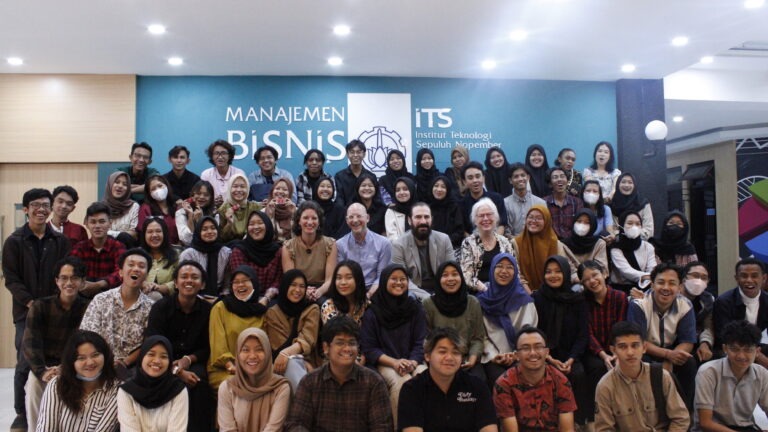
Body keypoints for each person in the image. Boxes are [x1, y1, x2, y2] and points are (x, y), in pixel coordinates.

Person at [2, 188, 71, 431]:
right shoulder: (14, 241)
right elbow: (11, 279)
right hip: (26, 312)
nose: (41, 209)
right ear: (26, 209)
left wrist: (55, 302)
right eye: (35, 205)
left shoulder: (60, 241)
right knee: (25, 360)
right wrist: (32, 303)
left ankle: (58, 408)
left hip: (56, 311)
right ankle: (21, 413)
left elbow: (64, 274)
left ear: (51, 209)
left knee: (60, 357)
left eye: (45, 205)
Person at [284, 316, 393, 431]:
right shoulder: (309, 382)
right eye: (340, 343)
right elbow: (296, 423)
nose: (347, 349)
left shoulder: (374, 382)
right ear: (326, 347)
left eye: (352, 343)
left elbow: (382, 427)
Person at [145, 260, 214, 432]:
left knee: (198, 382)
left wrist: (187, 360)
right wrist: (176, 370)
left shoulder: (208, 310)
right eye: (184, 277)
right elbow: (153, 342)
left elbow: (207, 347)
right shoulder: (161, 307)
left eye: (195, 277)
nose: (189, 280)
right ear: (175, 282)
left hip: (194, 361)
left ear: (202, 284)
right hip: (161, 360)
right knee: (166, 380)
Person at [23, 257, 90, 430]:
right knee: (33, 384)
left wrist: (67, 367)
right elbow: (30, 343)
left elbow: (88, 343)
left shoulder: (89, 307)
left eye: (74, 278)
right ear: (56, 281)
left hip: (75, 366)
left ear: (83, 282)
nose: (69, 283)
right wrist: (42, 371)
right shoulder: (40, 306)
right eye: (64, 278)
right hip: (45, 365)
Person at [361, 264, 428, 426]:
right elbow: (370, 348)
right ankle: (401, 427)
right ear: (384, 281)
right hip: (385, 363)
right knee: (401, 383)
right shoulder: (372, 312)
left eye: (402, 279)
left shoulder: (415, 308)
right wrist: (394, 362)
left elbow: (421, 341)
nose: (399, 283)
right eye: (394, 279)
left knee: (425, 376)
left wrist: (413, 362)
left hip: (413, 360)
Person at [594, 321, 690, 431]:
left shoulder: (661, 376)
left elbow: (681, 418)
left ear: (644, 347)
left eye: (635, 345)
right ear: (613, 350)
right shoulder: (605, 386)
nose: (630, 352)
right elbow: (604, 429)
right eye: (623, 347)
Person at [398, 327, 498, 432]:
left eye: (455, 352)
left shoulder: (477, 386)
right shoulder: (412, 389)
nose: (449, 358)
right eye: (442, 352)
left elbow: (489, 428)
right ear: (427, 356)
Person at [627, 262, 698, 409]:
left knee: (689, 362)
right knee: (640, 360)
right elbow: (638, 341)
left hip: (673, 349)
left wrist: (671, 358)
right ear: (652, 285)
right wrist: (667, 355)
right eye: (661, 282)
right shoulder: (639, 305)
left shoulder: (685, 305)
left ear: (680, 287)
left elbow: (688, 341)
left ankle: (685, 411)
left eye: (672, 283)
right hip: (645, 351)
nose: (666, 287)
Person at [533, 256, 591, 426]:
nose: (553, 275)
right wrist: (549, 358)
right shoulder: (537, 298)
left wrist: (571, 359)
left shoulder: (577, 300)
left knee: (578, 374)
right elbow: (535, 332)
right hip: (545, 355)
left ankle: (578, 423)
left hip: (570, 355)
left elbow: (582, 335)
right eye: (548, 272)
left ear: (566, 273)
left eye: (558, 271)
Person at [79, 248, 154, 379]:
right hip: (97, 363)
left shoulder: (151, 307)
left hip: (132, 368)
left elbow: (148, 343)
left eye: (141, 266)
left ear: (147, 274)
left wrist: (124, 363)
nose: (136, 269)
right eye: (131, 265)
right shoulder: (101, 300)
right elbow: (87, 335)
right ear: (120, 272)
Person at [493, 326, 577, 432]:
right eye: (525, 348)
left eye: (538, 347)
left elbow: (567, 429)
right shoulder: (504, 384)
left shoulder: (561, 381)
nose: (533, 353)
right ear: (517, 355)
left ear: (547, 352)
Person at [35, 330, 120, 432]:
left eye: (95, 355)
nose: (90, 362)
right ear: (71, 362)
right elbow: (46, 428)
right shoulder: (56, 385)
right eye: (81, 358)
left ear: (105, 356)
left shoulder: (116, 390)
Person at [694, 320, 768, 432]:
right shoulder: (708, 372)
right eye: (734, 349)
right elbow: (705, 422)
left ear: (757, 351)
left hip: (745, 427)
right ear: (725, 349)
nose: (741, 356)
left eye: (748, 350)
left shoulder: (762, 374)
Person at [579, 260, 627, 431]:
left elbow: (621, 327)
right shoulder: (582, 301)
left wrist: (615, 353)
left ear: (604, 274)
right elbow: (587, 333)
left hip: (616, 348)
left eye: (595, 275)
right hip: (594, 351)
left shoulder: (620, 297)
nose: (592, 281)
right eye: (586, 280)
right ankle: (593, 419)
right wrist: (602, 354)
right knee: (597, 367)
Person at [478, 253, 538, 386]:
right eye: (499, 266)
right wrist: (494, 356)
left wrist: (517, 354)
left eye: (509, 267)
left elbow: (529, 333)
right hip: (493, 356)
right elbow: (481, 336)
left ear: (515, 271)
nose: (504, 271)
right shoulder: (482, 301)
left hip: (522, 356)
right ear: (492, 269)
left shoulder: (524, 301)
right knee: (499, 381)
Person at [208, 265, 270, 390]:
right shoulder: (220, 308)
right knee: (242, 387)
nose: (240, 285)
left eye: (245, 281)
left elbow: (265, 348)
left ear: (254, 283)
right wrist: (232, 367)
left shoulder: (262, 312)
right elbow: (218, 346)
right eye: (236, 282)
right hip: (225, 369)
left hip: (255, 369)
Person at [217, 328, 291, 432]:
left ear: (268, 352)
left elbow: (273, 430)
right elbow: (227, 429)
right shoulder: (227, 388)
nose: (252, 356)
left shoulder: (280, 388)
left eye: (259, 349)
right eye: (245, 350)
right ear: (237, 354)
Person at [423, 262, 486, 379]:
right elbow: (426, 338)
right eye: (445, 275)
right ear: (438, 279)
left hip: (466, 359)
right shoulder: (428, 304)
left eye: (455, 274)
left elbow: (478, 338)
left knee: (479, 381)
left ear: (461, 277)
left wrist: (472, 359)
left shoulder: (472, 302)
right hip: (440, 361)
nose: (450, 279)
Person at [264, 270, 321, 389]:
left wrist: (290, 354)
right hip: (280, 364)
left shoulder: (312, 309)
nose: (298, 290)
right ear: (285, 286)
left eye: (302, 286)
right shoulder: (273, 312)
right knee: (292, 363)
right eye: (293, 285)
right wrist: (289, 355)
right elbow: (278, 345)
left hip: (308, 361)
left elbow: (308, 339)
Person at [117, 336, 189, 431]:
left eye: (163, 356)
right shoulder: (126, 391)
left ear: (170, 362)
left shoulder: (178, 390)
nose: (157, 361)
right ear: (142, 357)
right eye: (151, 354)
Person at [391, 203, 455, 298]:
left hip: (441, 289)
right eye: (418, 217)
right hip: (414, 291)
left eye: (426, 217)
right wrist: (429, 298)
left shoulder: (444, 239)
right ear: (409, 220)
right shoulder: (399, 245)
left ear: (431, 219)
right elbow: (401, 280)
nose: (423, 221)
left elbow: (452, 272)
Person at [512, 205, 579, 292]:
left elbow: (567, 268)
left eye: (538, 218)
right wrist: (531, 295)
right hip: (525, 293)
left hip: (554, 291)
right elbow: (517, 273)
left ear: (547, 221)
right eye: (530, 217)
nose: (533, 221)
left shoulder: (555, 244)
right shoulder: (516, 243)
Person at [713, 258, 768, 363]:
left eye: (754, 276)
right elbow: (724, 336)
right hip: (732, 347)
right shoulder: (723, 302)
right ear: (736, 278)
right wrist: (757, 356)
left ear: (764, 278)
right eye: (744, 276)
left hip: (759, 346)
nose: (749, 280)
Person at [282, 200, 338, 301]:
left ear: (319, 222)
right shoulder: (288, 246)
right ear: (299, 221)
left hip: (323, 291)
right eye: (305, 218)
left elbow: (329, 280)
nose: (310, 222)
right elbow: (290, 279)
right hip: (296, 290)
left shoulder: (330, 244)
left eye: (314, 218)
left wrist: (318, 292)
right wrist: (305, 291)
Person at [70, 202, 126, 297]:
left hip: (111, 297)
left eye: (102, 221)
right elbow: (71, 270)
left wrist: (100, 284)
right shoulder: (79, 248)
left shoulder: (118, 247)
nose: (97, 226)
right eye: (93, 222)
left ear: (110, 223)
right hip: (83, 296)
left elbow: (122, 272)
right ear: (86, 223)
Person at [460, 197, 515, 293]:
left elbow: (514, 270)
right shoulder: (468, 243)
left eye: (489, 214)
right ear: (475, 220)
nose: (485, 219)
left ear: (496, 218)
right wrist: (486, 290)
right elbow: (467, 276)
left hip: (504, 290)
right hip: (479, 292)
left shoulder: (505, 242)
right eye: (481, 216)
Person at [336, 203, 392, 296]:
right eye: (351, 217)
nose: (355, 220)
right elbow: (342, 277)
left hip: (376, 292)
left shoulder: (384, 243)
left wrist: (369, 295)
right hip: (349, 292)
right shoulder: (340, 245)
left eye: (359, 216)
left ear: (367, 218)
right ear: (346, 220)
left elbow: (382, 277)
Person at [227, 211, 283, 299]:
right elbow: (240, 281)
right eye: (251, 224)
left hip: (271, 298)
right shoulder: (239, 250)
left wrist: (267, 297)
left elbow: (278, 280)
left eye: (260, 223)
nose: (256, 227)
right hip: (244, 298)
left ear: (268, 226)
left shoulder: (278, 251)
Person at [179, 216, 233, 300]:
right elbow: (183, 283)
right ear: (198, 232)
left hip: (220, 298)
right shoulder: (189, 254)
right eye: (204, 229)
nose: (209, 232)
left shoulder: (226, 253)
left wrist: (221, 300)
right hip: (193, 297)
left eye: (213, 228)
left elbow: (227, 285)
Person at [609, 210, 657, 294]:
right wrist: (647, 276)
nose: (634, 227)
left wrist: (651, 276)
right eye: (630, 223)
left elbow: (652, 268)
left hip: (645, 289)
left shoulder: (648, 247)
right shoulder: (616, 248)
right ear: (621, 225)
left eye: (638, 224)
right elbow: (626, 271)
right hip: (620, 291)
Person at [681, 261, 715, 364]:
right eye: (695, 276)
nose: (699, 281)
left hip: (697, 342)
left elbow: (708, 326)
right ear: (684, 278)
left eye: (704, 278)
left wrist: (705, 343)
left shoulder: (708, 299)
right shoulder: (673, 296)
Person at [461, 161, 508, 236]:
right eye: (470, 178)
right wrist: (474, 242)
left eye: (478, 176)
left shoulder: (497, 198)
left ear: (483, 178)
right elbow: (463, 230)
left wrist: (494, 240)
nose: (475, 180)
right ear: (464, 182)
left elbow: (502, 224)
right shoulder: (461, 204)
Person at [138, 217, 178, 300]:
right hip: (140, 298)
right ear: (144, 235)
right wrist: (142, 283)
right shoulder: (137, 255)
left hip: (171, 300)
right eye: (150, 232)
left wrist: (162, 288)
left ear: (165, 233)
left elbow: (182, 278)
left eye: (158, 231)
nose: (154, 235)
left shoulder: (176, 254)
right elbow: (130, 276)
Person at [321, 260, 371, 326]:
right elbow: (337, 331)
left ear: (358, 280)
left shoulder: (365, 304)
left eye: (349, 277)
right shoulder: (328, 306)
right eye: (339, 278)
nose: (343, 282)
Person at [504, 162, 546, 237]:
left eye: (523, 175)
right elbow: (506, 232)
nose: (520, 179)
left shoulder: (540, 203)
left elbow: (544, 227)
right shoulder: (505, 204)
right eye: (516, 176)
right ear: (510, 180)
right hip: (512, 242)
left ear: (528, 177)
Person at [200, 139, 247, 208]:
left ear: (229, 156)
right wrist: (213, 203)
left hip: (235, 209)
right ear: (212, 156)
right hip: (212, 210)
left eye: (223, 153)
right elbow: (203, 197)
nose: (220, 157)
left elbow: (243, 197)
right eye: (216, 153)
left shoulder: (239, 173)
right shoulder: (206, 175)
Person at [218, 173, 263, 243]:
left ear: (247, 189)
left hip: (253, 244)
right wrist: (229, 223)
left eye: (242, 186)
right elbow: (221, 238)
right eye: (235, 186)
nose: (239, 190)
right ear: (229, 188)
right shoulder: (223, 209)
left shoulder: (255, 207)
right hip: (230, 245)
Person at [138, 175, 180, 245]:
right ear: (149, 193)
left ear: (166, 186)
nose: (158, 190)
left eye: (160, 186)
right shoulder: (145, 208)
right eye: (153, 189)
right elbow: (143, 232)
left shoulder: (176, 207)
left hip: (176, 247)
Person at [544, 166, 584, 239]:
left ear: (567, 181)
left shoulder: (577, 202)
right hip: (551, 242)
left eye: (562, 176)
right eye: (555, 177)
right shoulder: (543, 203)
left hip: (573, 241)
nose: (559, 179)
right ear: (550, 184)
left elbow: (580, 225)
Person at [611, 173, 654, 240]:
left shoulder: (643, 204)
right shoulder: (613, 205)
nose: (626, 185)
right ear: (618, 184)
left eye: (630, 182)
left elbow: (649, 230)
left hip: (640, 243)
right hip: (618, 244)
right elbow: (612, 230)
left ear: (635, 185)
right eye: (623, 182)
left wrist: (631, 234)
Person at [175, 180, 219, 246]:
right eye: (198, 193)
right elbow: (187, 241)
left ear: (211, 198)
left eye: (206, 195)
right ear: (193, 195)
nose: (201, 197)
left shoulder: (215, 213)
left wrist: (200, 220)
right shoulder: (181, 212)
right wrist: (190, 216)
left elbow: (211, 238)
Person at [426, 175, 464, 249]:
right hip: (430, 248)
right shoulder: (427, 209)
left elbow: (459, 231)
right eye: (436, 186)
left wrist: (444, 243)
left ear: (448, 190)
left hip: (450, 247)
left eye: (443, 187)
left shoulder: (454, 207)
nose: (439, 189)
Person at [102, 171, 140, 244]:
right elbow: (98, 232)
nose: (120, 186)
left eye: (125, 184)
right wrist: (123, 234)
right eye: (117, 182)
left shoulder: (133, 206)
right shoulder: (101, 207)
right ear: (110, 184)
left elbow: (134, 234)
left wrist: (109, 233)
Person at [334, 139, 375, 207]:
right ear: (347, 154)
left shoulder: (371, 176)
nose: (355, 155)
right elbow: (339, 199)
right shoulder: (339, 176)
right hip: (346, 212)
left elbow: (375, 198)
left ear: (364, 154)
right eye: (352, 152)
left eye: (359, 152)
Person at [263, 178, 297, 243]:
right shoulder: (263, 211)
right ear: (272, 191)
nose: (280, 192)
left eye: (285, 189)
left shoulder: (297, 211)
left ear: (290, 193)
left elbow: (298, 235)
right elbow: (265, 235)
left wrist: (293, 215)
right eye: (277, 188)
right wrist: (270, 216)